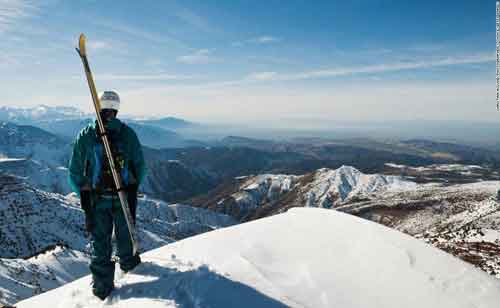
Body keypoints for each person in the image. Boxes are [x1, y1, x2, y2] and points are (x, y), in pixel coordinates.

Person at [68, 90, 146, 300]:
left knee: (100, 242)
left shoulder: (86, 134)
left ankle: (102, 287)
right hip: (123, 197)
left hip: (97, 199)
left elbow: (75, 171)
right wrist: (132, 187)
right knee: (126, 234)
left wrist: (84, 193)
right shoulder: (127, 134)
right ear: (116, 108)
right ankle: (130, 267)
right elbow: (140, 166)